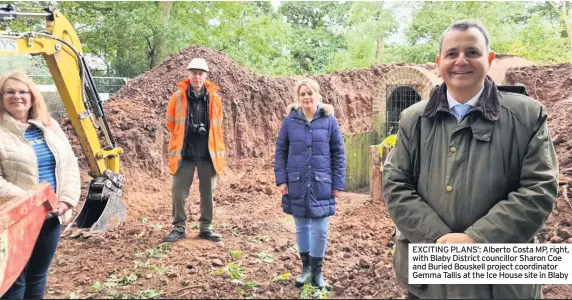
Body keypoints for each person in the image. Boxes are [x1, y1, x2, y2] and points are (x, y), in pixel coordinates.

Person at [383, 20, 558, 299]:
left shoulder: (527, 116)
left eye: (472, 52)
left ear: (489, 59)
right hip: (431, 284)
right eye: (452, 54)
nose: (461, 61)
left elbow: (539, 190)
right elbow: (395, 185)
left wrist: (476, 239)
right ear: (439, 62)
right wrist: (438, 239)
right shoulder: (413, 120)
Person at [0, 71, 81, 299]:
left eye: (23, 91)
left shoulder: (49, 125)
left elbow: (70, 163)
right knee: (12, 282)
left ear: (33, 96)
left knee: (38, 276)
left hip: (49, 218)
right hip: (12, 221)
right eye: (10, 92)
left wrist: (66, 199)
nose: (17, 96)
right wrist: (33, 203)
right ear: (1, 97)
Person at [274, 78, 346, 290]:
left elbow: (338, 153)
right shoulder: (289, 121)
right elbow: (281, 152)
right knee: (301, 226)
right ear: (298, 98)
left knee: (320, 229)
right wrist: (282, 179)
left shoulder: (329, 120)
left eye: (309, 93)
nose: (306, 97)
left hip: (321, 182)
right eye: (302, 94)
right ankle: (305, 269)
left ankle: (317, 273)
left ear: (318, 96)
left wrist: (337, 182)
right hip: (296, 181)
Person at [164, 58, 226, 243]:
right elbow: (171, 123)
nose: (197, 76)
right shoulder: (177, 97)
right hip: (185, 153)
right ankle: (179, 227)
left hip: (208, 154)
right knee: (178, 192)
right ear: (188, 74)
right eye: (194, 73)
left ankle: (206, 228)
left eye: (201, 73)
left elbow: (218, 126)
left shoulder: (215, 98)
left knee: (208, 193)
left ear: (206, 75)